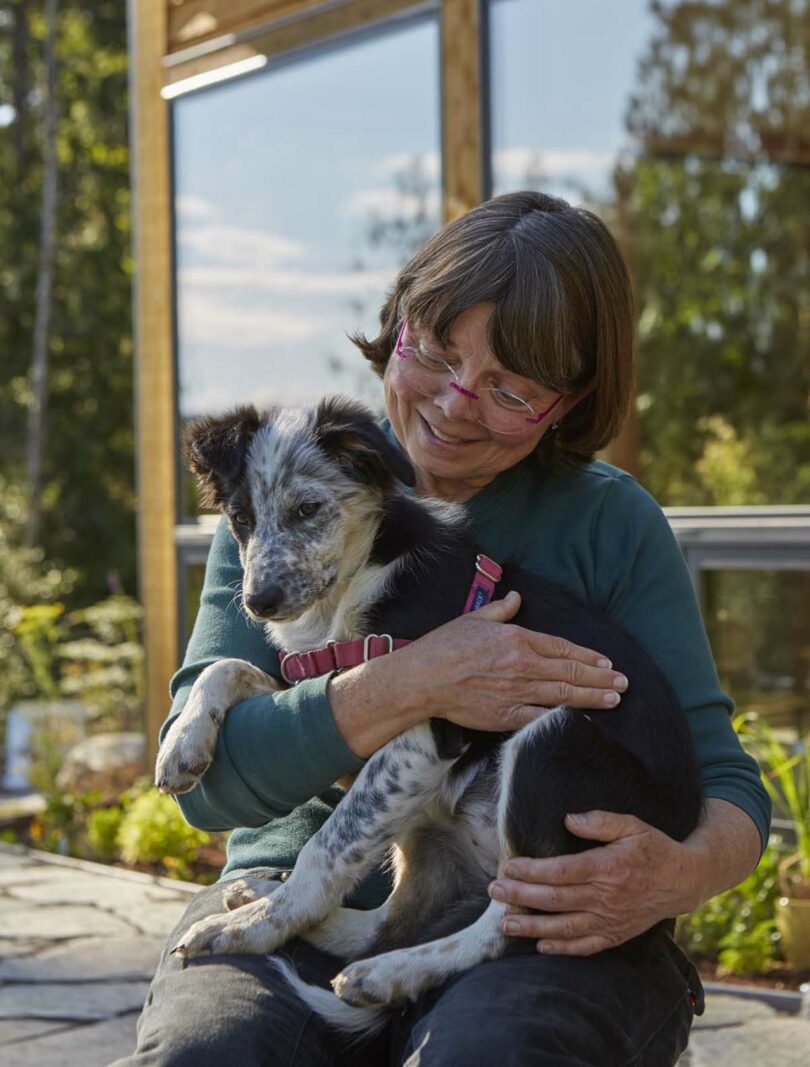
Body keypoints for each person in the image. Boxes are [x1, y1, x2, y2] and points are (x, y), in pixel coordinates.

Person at [117, 191, 770, 1066]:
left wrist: (669, 877)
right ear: (396, 326)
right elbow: (210, 786)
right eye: (434, 348)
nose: (457, 402)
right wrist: (416, 681)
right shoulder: (284, 489)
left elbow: (722, 776)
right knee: (212, 1055)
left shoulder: (611, 523)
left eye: (510, 386)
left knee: (490, 1055)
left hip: (544, 905)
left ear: (568, 403)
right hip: (297, 882)